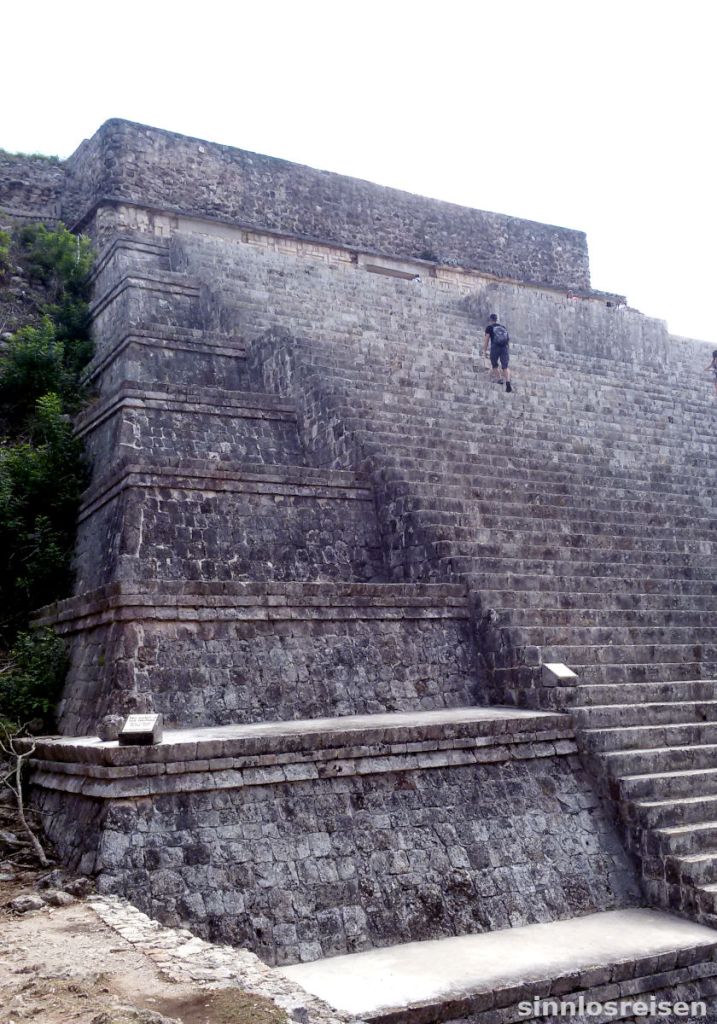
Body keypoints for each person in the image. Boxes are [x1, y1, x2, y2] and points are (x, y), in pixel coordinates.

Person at [483, 314, 513, 392]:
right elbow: (508, 340)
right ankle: (508, 381)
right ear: (496, 319)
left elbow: (486, 339)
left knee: (494, 364)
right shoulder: (503, 328)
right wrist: (507, 350)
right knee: (505, 366)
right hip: (504, 348)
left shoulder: (489, 328)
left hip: (495, 347)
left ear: (490, 320)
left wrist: (484, 350)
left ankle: (499, 379)